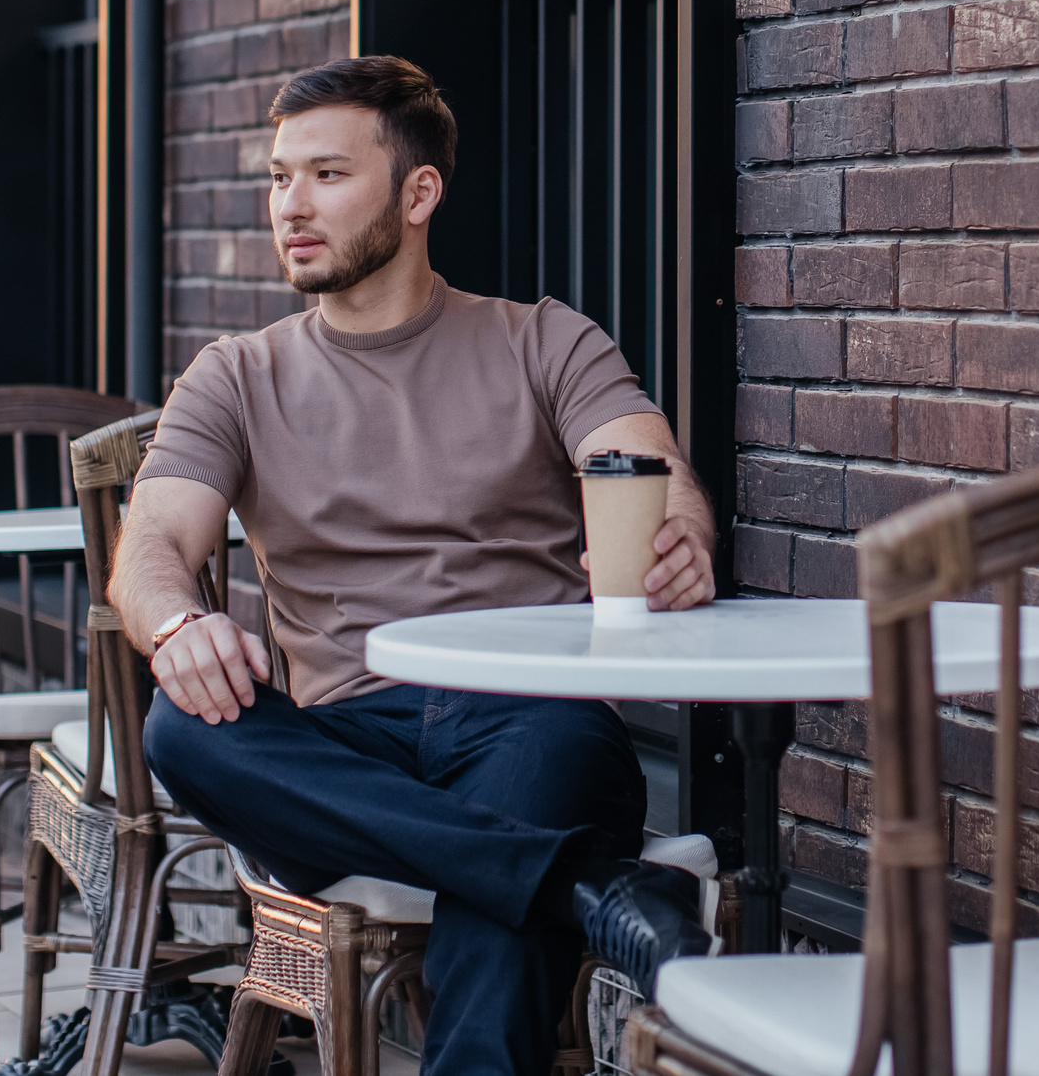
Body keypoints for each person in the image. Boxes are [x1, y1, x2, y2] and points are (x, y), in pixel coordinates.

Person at [116, 54, 718, 1076]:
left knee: (534, 790)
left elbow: (651, 469)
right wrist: (179, 626)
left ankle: (547, 878)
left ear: (418, 192)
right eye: (278, 177)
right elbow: (152, 549)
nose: (290, 207)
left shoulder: (541, 341)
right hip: (342, 740)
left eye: (326, 175)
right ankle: (586, 887)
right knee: (183, 727)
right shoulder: (236, 374)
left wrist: (682, 539)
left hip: (528, 708)